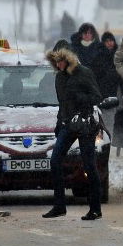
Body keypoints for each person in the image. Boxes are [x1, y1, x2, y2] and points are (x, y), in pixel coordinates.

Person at [42, 45, 104, 221]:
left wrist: (80, 97)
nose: (58, 65)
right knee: (55, 160)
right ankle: (59, 205)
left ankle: (95, 208)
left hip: (85, 124)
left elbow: (96, 97)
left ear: (67, 59)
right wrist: (59, 122)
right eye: (55, 62)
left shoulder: (84, 73)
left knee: (89, 165)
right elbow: (63, 103)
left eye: (60, 61)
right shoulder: (59, 78)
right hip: (68, 124)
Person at [96, 31, 122, 100]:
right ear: (103, 43)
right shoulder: (99, 56)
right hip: (104, 88)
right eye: (107, 41)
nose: (109, 43)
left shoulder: (119, 54)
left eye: (111, 40)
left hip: (118, 86)